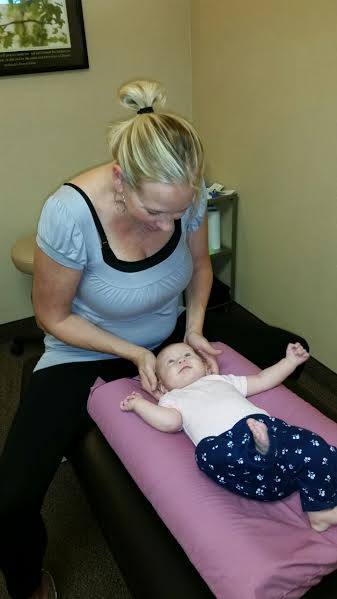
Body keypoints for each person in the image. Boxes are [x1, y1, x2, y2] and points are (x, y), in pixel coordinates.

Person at [0, 79, 221, 599]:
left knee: (282, 351)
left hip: (169, 339)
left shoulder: (187, 193)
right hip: (86, 349)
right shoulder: (70, 212)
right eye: (155, 213)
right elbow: (51, 317)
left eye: (179, 212)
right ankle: (30, 584)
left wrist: (193, 329)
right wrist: (133, 352)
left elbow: (201, 265)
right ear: (121, 180)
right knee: (10, 500)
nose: (170, 223)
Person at [120, 341, 337, 533]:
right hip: (231, 447)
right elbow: (169, 422)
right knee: (205, 453)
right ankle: (261, 450)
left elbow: (262, 379)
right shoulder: (172, 398)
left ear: (205, 366)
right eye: (170, 362)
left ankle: (319, 511)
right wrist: (140, 404)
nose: (181, 361)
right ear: (162, 384)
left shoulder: (221, 380)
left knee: (314, 446)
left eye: (187, 355)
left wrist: (290, 361)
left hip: (268, 436)